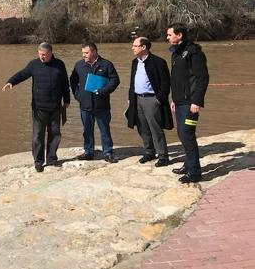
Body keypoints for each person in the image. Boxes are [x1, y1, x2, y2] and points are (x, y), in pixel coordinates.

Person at [2, 43, 70, 172]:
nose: (42, 57)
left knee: (55, 134)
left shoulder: (59, 64)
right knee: (37, 136)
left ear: (50, 53)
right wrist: (11, 82)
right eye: (40, 54)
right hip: (39, 108)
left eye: (44, 55)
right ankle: (38, 161)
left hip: (55, 107)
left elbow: (65, 84)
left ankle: (52, 158)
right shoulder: (34, 64)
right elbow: (22, 74)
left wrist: (66, 100)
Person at [166, 24, 209, 183]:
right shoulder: (176, 53)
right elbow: (178, 80)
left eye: (170, 35)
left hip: (191, 104)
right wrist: (174, 99)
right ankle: (188, 164)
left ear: (180, 35)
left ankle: (195, 173)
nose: (168, 38)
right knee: (182, 135)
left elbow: (202, 78)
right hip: (179, 103)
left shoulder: (194, 53)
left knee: (187, 134)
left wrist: (197, 101)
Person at [126, 37, 174, 167]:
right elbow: (132, 82)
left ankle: (163, 156)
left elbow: (166, 83)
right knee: (142, 127)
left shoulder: (158, 62)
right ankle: (149, 152)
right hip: (137, 99)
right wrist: (130, 98)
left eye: (135, 45)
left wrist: (159, 99)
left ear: (143, 47)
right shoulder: (134, 62)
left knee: (155, 128)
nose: (132, 48)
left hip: (152, 99)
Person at [70, 42, 120, 163]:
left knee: (105, 130)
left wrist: (104, 91)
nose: (84, 55)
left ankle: (108, 152)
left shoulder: (106, 64)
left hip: (101, 105)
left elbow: (115, 80)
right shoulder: (79, 65)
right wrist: (78, 95)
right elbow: (72, 81)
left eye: (86, 53)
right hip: (85, 105)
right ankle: (88, 152)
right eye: (83, 53)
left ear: (94, 51)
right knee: (87, 130)